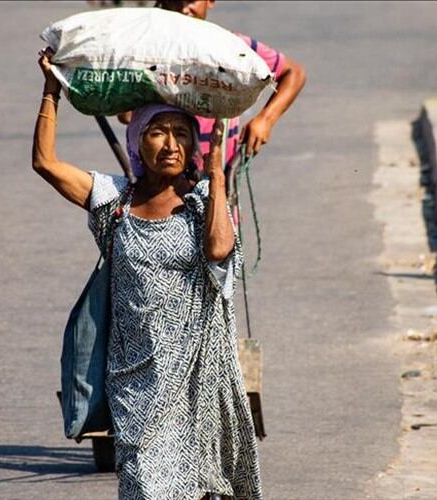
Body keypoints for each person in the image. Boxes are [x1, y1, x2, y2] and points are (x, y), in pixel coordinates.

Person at [34, 49, 262, 500]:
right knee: (145, 483)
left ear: (193, 147)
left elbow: (219, 249)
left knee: (199, 487)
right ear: (138, 142)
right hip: (134, 383)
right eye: (158, 132)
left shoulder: (202, 204)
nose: (171, 144)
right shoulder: (115, 200)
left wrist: (215, 171)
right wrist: (52, 89)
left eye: (182, 134)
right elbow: (46, 163)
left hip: (199, 381)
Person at [119, 0, 307, 170]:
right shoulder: (145, 50)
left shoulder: (231, 46)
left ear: (210, 1)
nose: (184, 9)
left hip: (216, 169)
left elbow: (293, 73)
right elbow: (125, 115)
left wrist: (265, 120)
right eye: (175, 1)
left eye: (191, 1)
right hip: (157, 172)